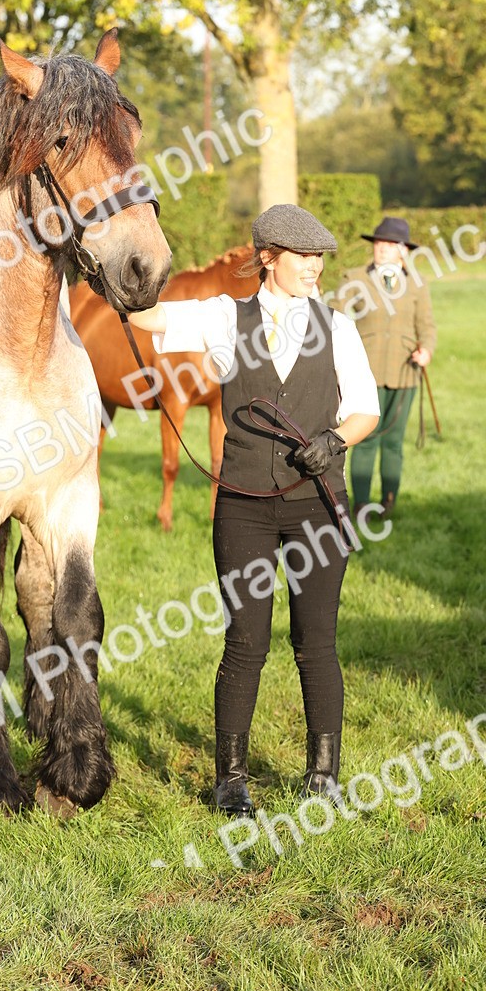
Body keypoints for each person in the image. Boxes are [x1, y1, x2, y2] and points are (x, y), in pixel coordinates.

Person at [128, 204, 380, 814]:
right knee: (245, 640)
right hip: (242, 505)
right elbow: (148, 315)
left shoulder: (338, 327)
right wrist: (121, 259)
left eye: (320, 257)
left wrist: (335, 441)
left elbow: (366, 409)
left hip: (318, 507)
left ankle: (323, 776)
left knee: (316, 641)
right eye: (303, 257)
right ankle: (231, 780)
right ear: (268, 256)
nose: (315, 267)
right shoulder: (222, 316)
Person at [331, 216, 436, 518]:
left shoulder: (417, 284)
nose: (382, 249)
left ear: (403, 250)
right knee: (363, 438)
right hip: (365, 373)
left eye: (389, 245)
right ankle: (360, 502)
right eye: (379, 243)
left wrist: (426, 350)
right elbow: (336, 318)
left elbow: (427, 326)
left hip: (404, 374)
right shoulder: (355, 279)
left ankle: (389, 501)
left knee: (393, 441)